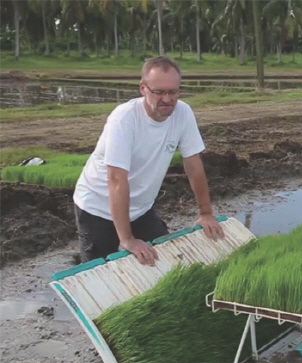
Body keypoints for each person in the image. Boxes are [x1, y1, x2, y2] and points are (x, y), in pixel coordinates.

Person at [73, 56, 224, 266]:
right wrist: (127, 239)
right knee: (98, 270)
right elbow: (116, 178)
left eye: (173, 92)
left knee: (166, 258)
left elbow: (193, 164)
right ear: (143, 88)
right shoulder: (124, 118)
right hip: (98, 205)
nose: (167, 99)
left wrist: (206, 213)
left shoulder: (183, 113)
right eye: (159, 92)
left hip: (141, 207)